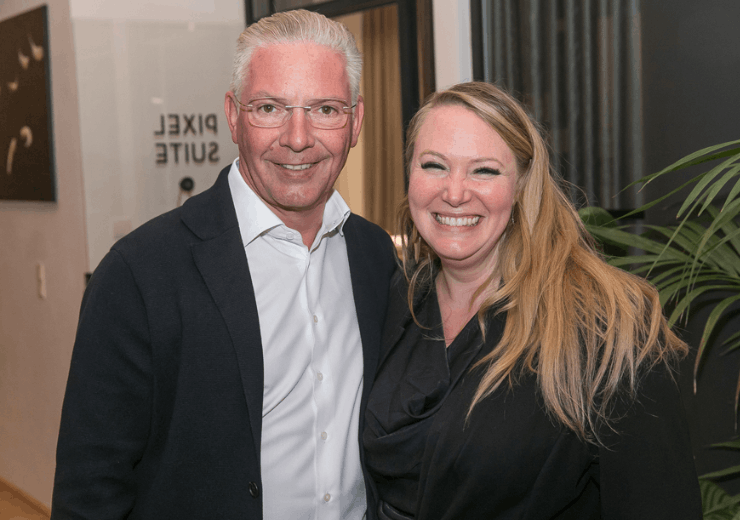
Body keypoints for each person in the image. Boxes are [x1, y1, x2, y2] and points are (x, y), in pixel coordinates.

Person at [52, 10, 395, 520]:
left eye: (325, 109)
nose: (297, 137)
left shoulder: (374, 255)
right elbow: (90, 489)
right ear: (233, 116)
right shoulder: (140, 274)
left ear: (356, 122)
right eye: (269, 108)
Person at [362, 82, 703, 520]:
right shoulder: (393, 300)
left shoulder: (606, 327)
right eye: (434, 165)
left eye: (484, 171)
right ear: (410, 174)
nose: (455, 192)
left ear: (523, 183)